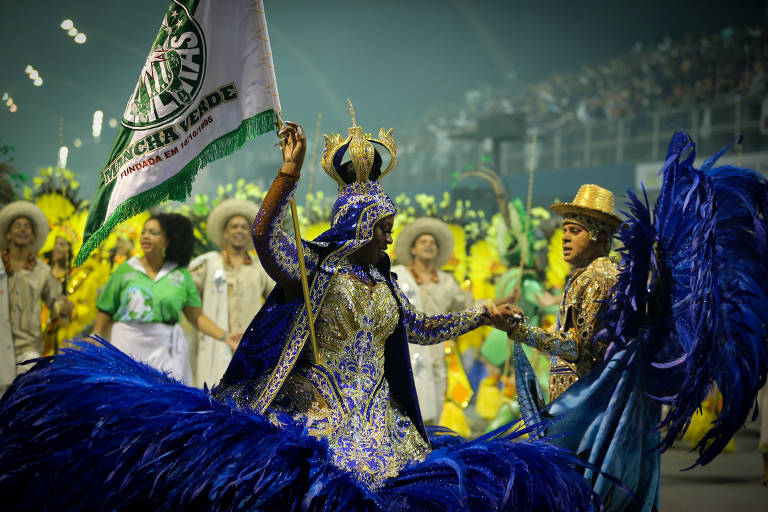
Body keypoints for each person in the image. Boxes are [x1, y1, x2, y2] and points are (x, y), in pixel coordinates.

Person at [92, 213, 241, 385]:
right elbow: (106, 309)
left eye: (154, 233)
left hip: (165, 351)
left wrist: (225, 337)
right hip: (126, 345)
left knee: (165, 405)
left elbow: (196, 316)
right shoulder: (125, 270)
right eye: (144, 232)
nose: (146, 236)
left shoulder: (180, 275)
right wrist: (95, 335)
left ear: (167, 241)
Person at [506, 185, 620, 401]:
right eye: (564, 230)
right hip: (577, 400)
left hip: (585, 403)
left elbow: (577, 349)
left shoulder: (599, 277)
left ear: (601, 238)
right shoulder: (587, 274)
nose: (565, 238)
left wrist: (521, 332)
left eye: (575, 231)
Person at [390, 217, 477, 425]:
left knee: (434, 410)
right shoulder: (399, 277)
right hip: (407, 352)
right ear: (412, 249)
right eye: (423, 241)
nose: (429, 245)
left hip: (438, 353)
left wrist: (499, 303)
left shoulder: (446, 281)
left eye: (433, 243)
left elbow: (468, 305)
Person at [189, 198, 273, 388]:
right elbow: (185, 294)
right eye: (234, 226)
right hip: (215, 343)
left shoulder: (260, 268)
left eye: (244, 227)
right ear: (225, 233)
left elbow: (279, 298)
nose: (239, 231)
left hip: (250, 345)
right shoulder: (209, 264)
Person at [0, 201, 73, 383]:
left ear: (33, 236)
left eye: (27, 227)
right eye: (17, 226)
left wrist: (63, 308)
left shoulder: (42, 271)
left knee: (24, 400)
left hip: (28, 349)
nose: (23, 230)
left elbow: (55, 300)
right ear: (8, 233)